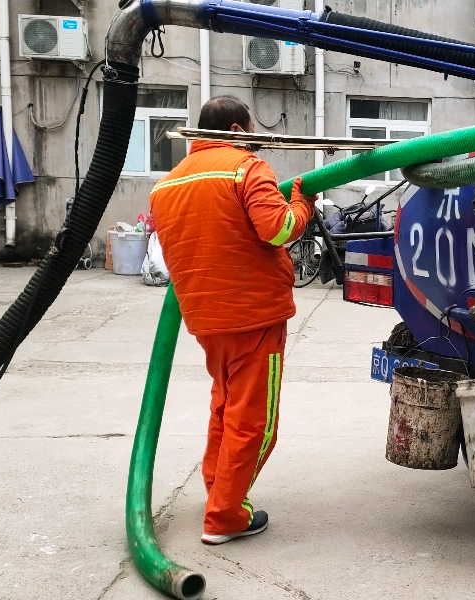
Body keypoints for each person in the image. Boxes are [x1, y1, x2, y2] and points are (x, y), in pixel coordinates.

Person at [149, 96, 317, 545]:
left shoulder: (166, 185)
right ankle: (226, 516)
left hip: (206, 318)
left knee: (225, 408)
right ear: (239, 131)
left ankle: (217, 491)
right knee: (254, 421)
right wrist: (303, 204)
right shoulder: (246, 168)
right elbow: (278, 229)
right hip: (254, 314)